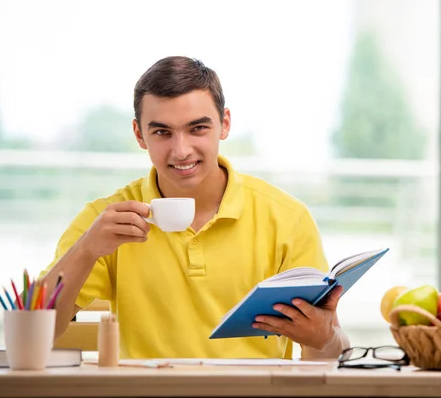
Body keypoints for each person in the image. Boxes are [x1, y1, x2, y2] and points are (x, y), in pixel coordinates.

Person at [39, 56, 350, 359]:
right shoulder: (106, 219)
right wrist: (86, 250)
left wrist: (323, 339)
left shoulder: (286, 218)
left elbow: (328, 355)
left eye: (197, 128)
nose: (181, 150)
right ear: (139, 134)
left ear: (224, 124)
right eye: (162, 132)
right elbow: (35, 333)